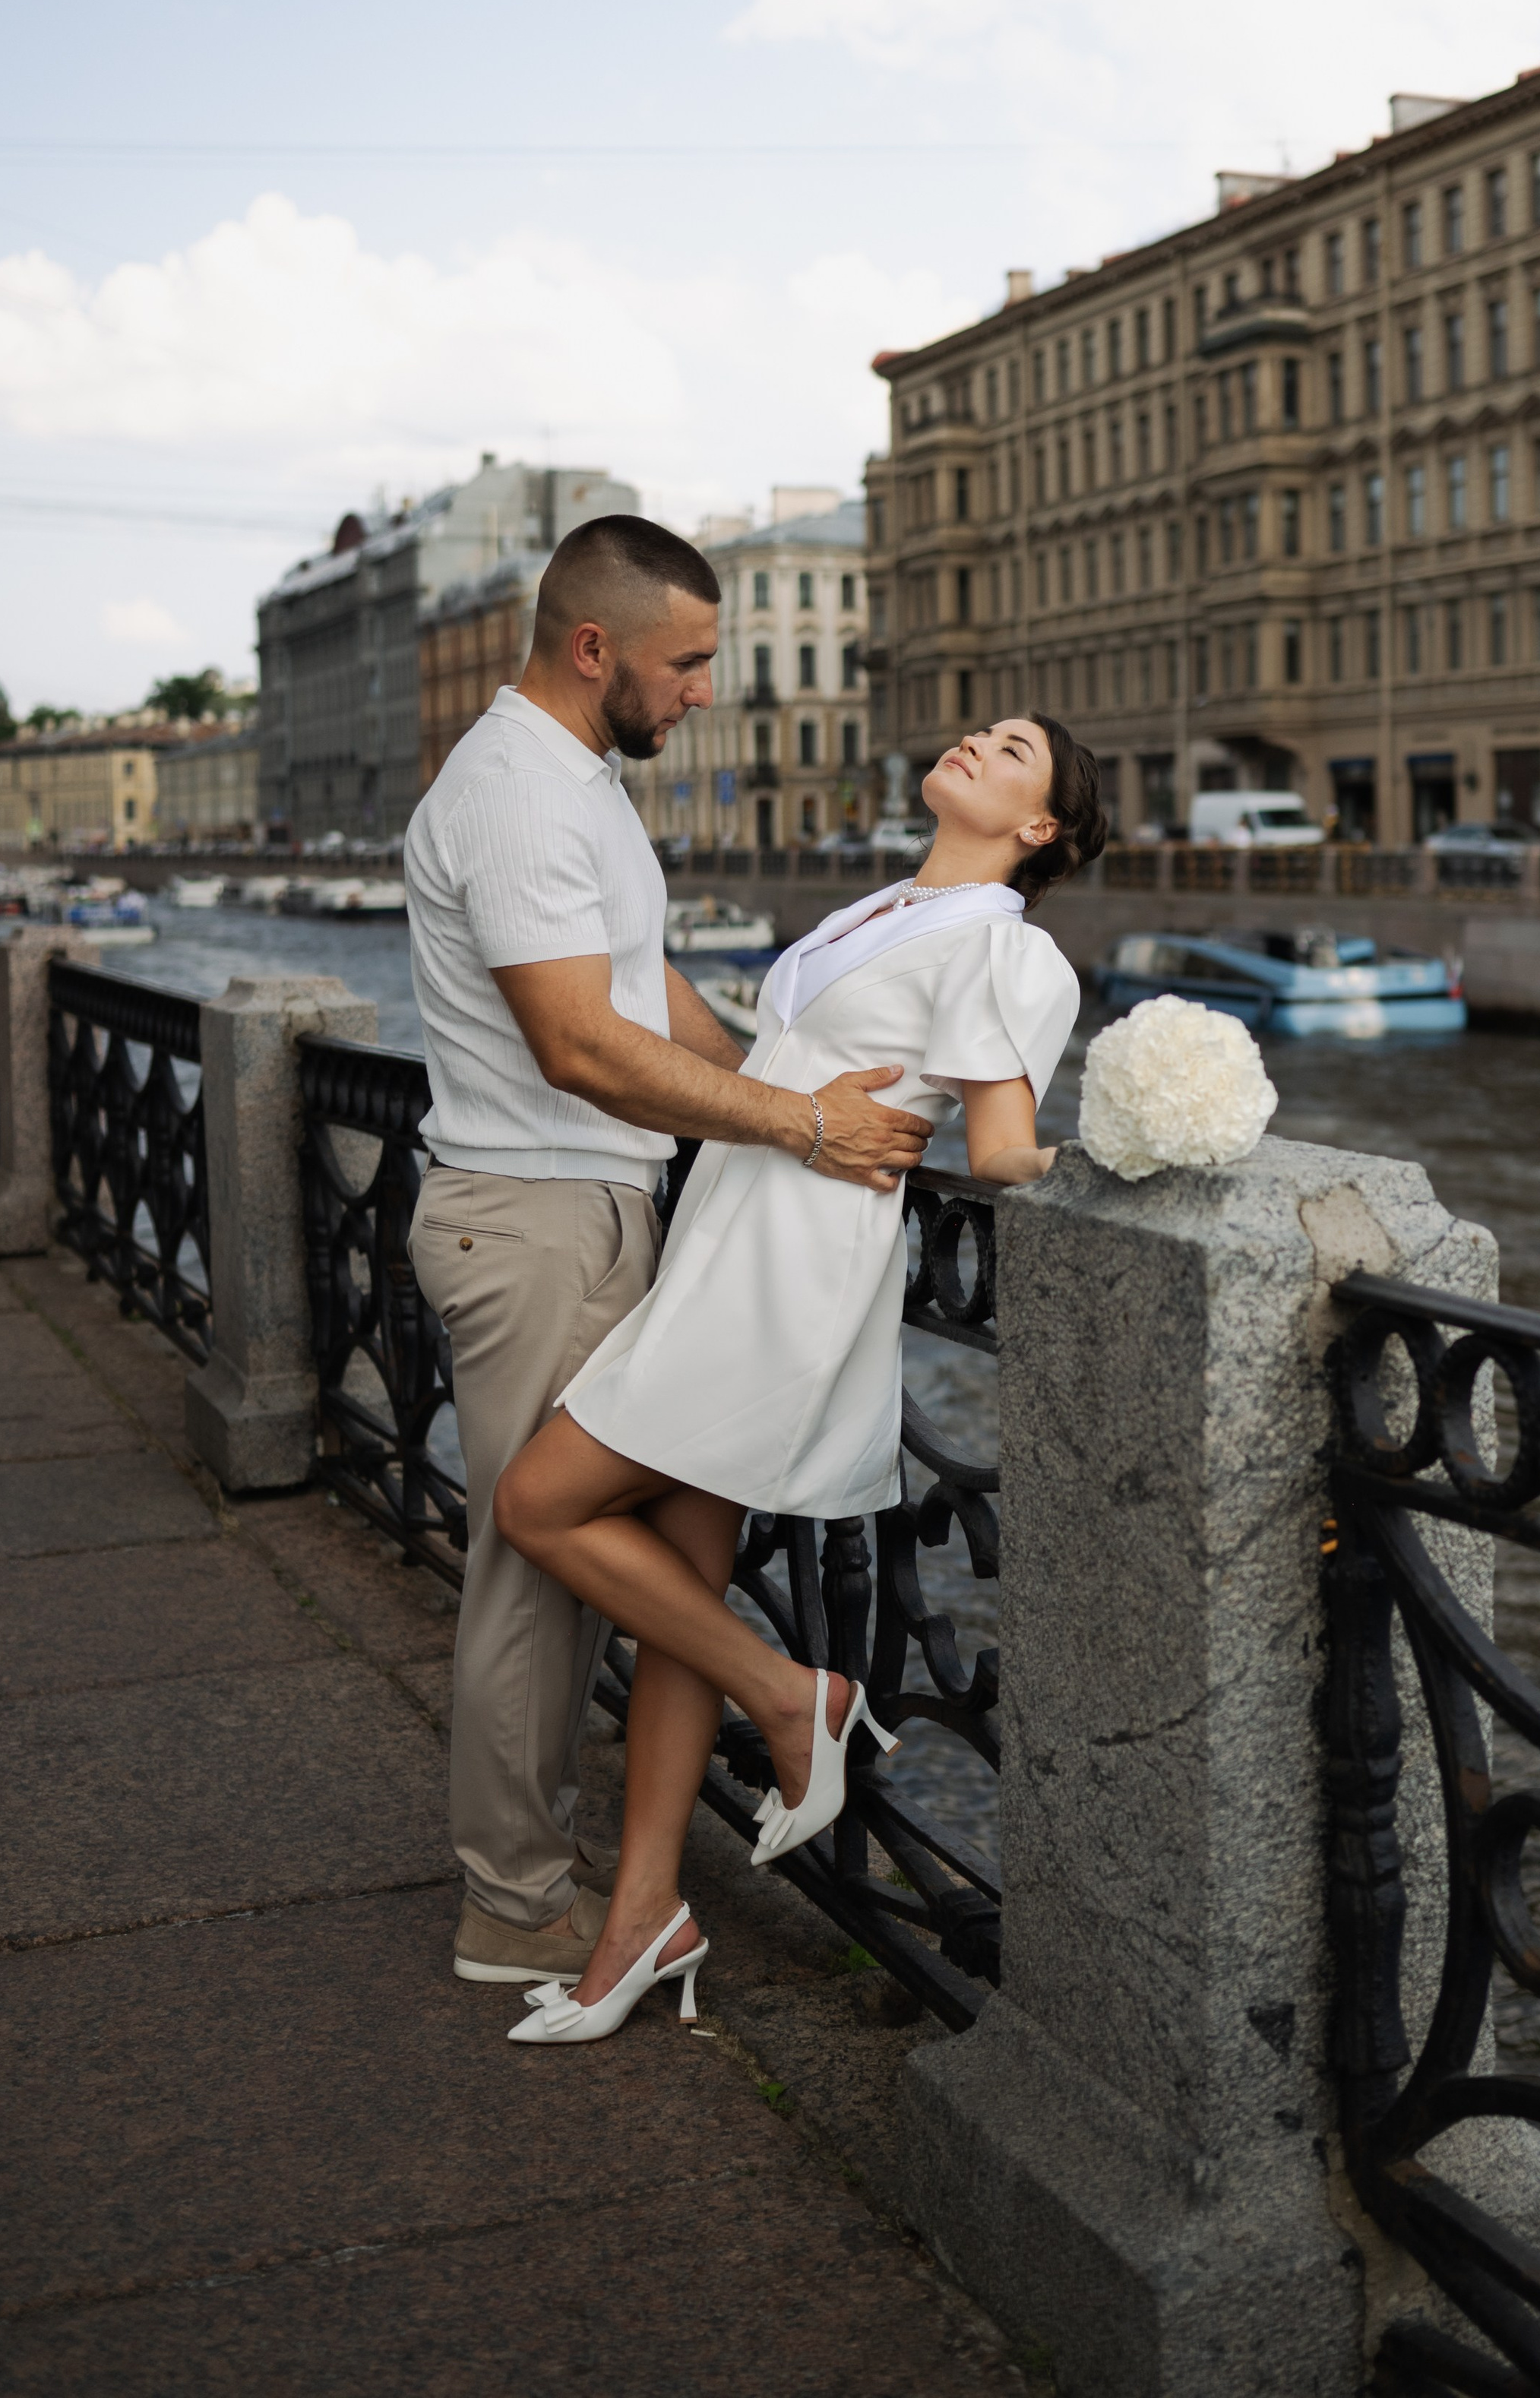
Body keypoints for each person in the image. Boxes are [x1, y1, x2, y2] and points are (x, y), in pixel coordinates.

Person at [492, 712, 1107, 2045]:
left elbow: (1002, 1147)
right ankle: (646, 1919)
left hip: (789, 1272)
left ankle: (792, 1696)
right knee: (680, 1586)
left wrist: (1138, 1156)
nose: (975, 742)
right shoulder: (889, 908)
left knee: (537, 1502)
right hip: (730, 1231)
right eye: (980, 731)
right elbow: (776, 1064)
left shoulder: (1005, 946)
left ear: (1040, 827)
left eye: (1013, 752)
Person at [405, 514, 934, 1991]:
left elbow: (647, 1002)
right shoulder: (518, 795)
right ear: (595, 650)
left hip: (579, 1213)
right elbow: (580, 1047)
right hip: (537, 1221)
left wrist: (789, 1087)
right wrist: (798, 1125)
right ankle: (516, 1905)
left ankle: (576, 1865)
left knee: (572, 1566)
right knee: (533, 1569)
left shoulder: (573, 782)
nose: (705, 689)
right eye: (686, 662)